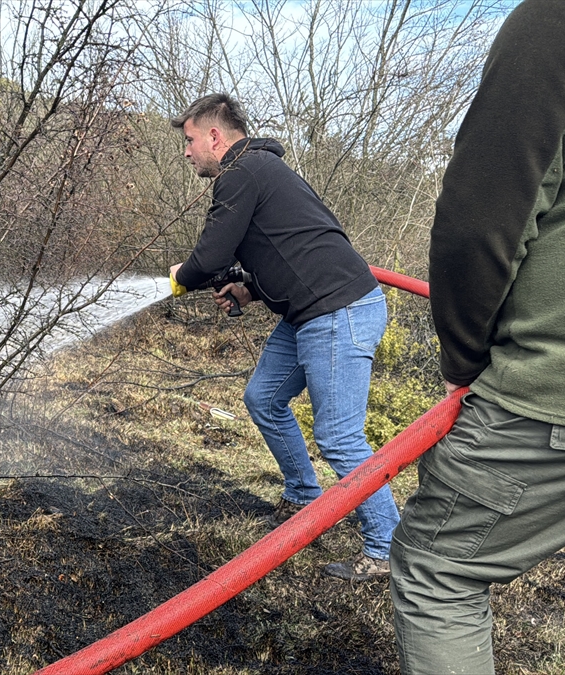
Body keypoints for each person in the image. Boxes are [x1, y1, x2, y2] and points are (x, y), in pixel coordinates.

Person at [389, 1, 565, 672]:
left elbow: (478, 225)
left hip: (563, 386)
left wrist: (465, 358)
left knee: (436, 567)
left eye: (190, 140)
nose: (188, 151)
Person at [168, 93, 399, 580]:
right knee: (263, 398)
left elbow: (208, 257)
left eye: (189, 141)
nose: (186, 152)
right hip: (310, 313)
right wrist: (248, 289)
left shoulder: (241, 173)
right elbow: (286, 246)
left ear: (215, 136)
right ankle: (302, 497)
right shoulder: (258, 171)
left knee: (338, 437)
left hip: (338, 312)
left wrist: (181, 276)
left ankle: (385, 549)